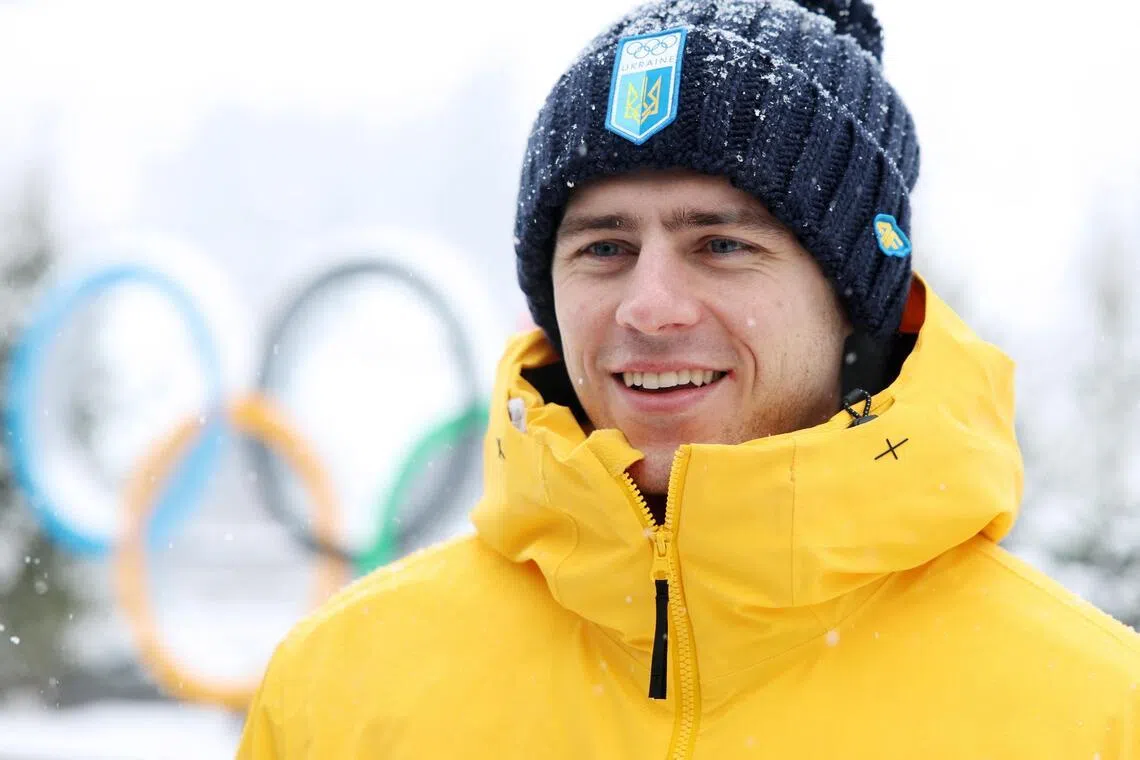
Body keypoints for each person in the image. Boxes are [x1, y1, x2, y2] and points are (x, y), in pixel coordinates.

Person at [236, 0, 1140, 757]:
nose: (650, 307)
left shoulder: (1089, 715)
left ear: (850, 298)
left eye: (721, 244)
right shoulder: (342, 690)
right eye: (605, 248)